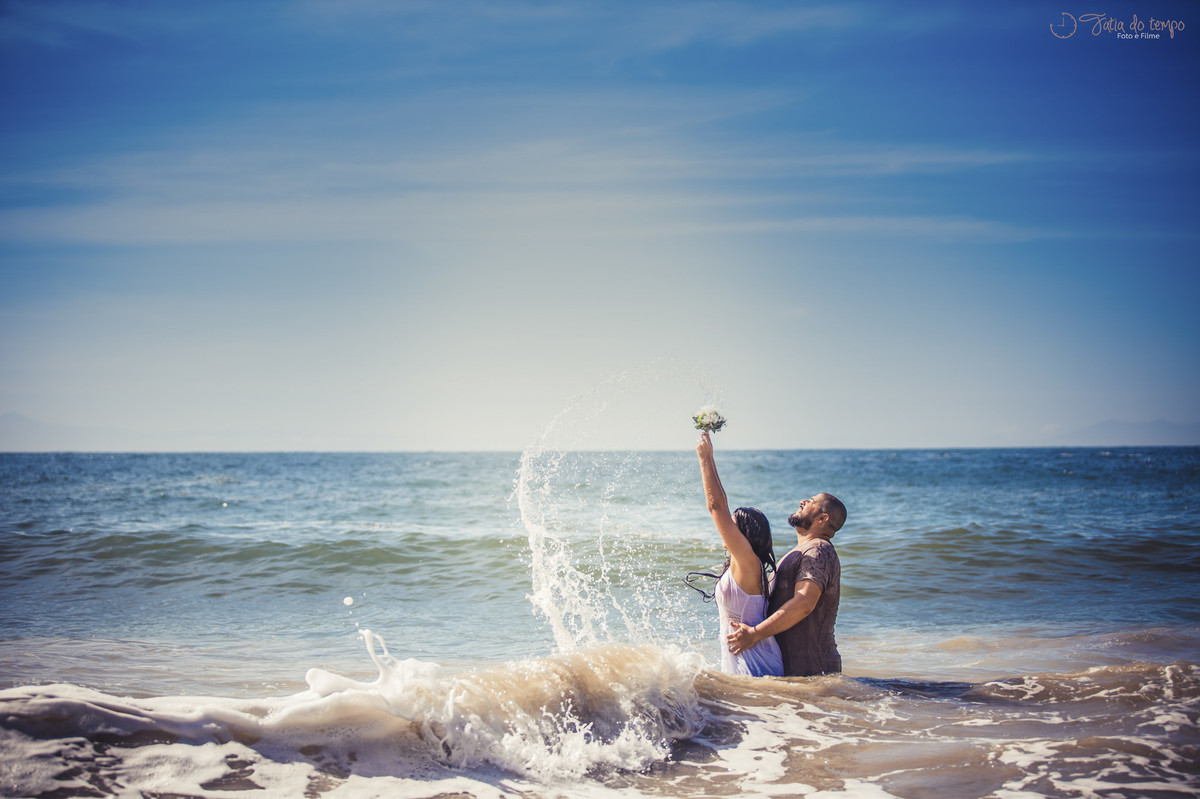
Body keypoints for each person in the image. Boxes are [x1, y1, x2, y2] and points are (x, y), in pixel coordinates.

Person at [727, 492, 845, 677]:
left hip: (812, 671)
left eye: (811, 501)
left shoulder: (818, 549)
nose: (802, 501)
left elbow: (804, 602)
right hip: (798, 671)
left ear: (823, 518)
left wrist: (755, 633)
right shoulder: (802, 551)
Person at [695, 431, 784, 677]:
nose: (727, 531)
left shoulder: (749, 563)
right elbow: (722, 506)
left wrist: (704, 458)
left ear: (744, 535)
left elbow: (717, 507)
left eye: (733, 526)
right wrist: (710, 457)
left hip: (756, 663)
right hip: (748, 658)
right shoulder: (745, 565)